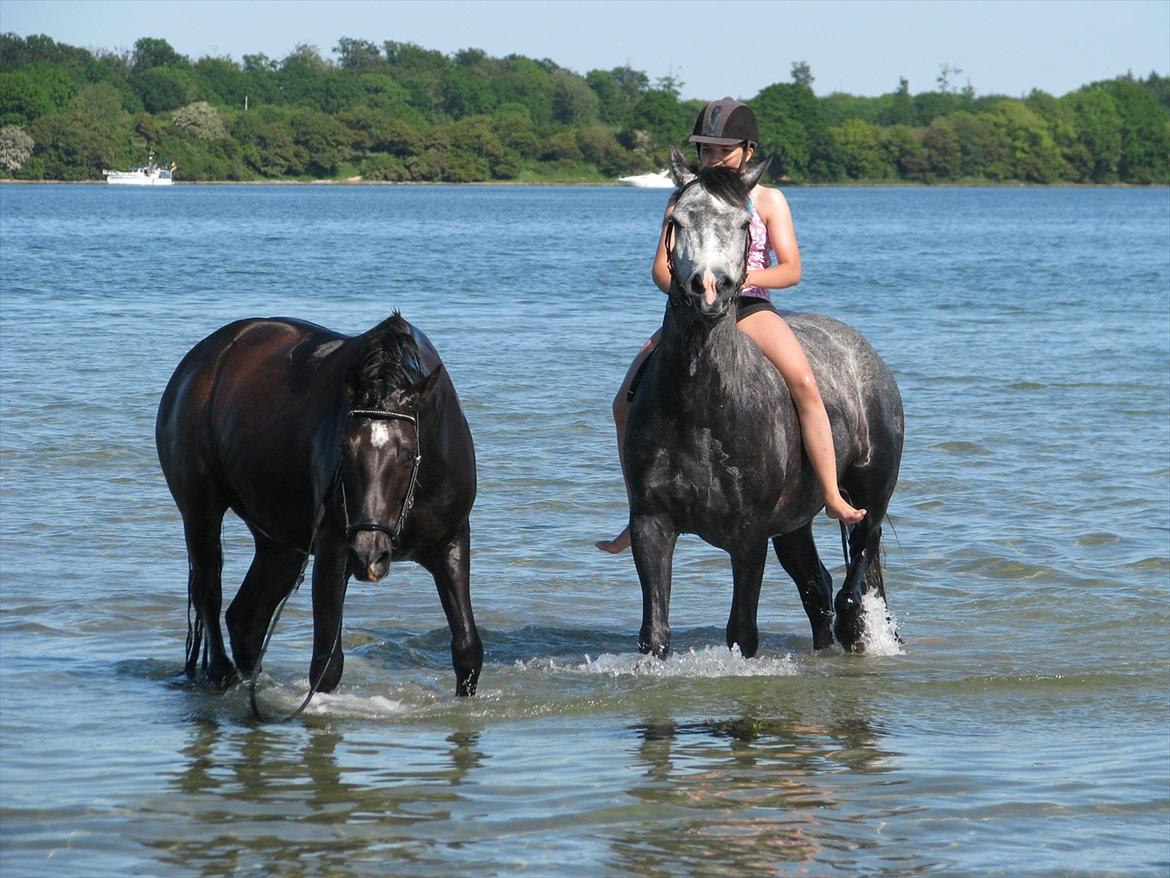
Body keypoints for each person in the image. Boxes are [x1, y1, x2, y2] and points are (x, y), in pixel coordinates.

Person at [596, 97, 865, 555]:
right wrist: (690, 289)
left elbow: (791, 269)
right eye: (705, 151)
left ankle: (832, 494)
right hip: (692, 313)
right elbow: (660, 270)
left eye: (723, 151)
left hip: (750, 308)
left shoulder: (767, 199)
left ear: (748, 151)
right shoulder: (682, 199)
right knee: (624, 401)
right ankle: (638, 509)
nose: (713, 159)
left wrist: (739, 281)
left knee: (803, 381)